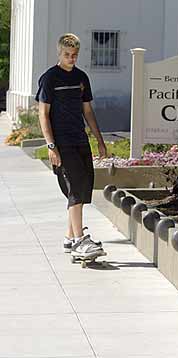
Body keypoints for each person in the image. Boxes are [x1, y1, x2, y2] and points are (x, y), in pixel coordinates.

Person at [36, 33, 107, 258]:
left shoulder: (81, 77)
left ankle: (69, 237)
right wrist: (50, 146)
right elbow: (43, 114)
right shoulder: (50, 78)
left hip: (80, 140)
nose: (71, 58)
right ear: (60, 53)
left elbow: (87, 111)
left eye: (74, 55)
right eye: (67, 54)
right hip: (62, 143)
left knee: (83, 188)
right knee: (75, 187)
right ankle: (79, 241)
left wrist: (100, 140)